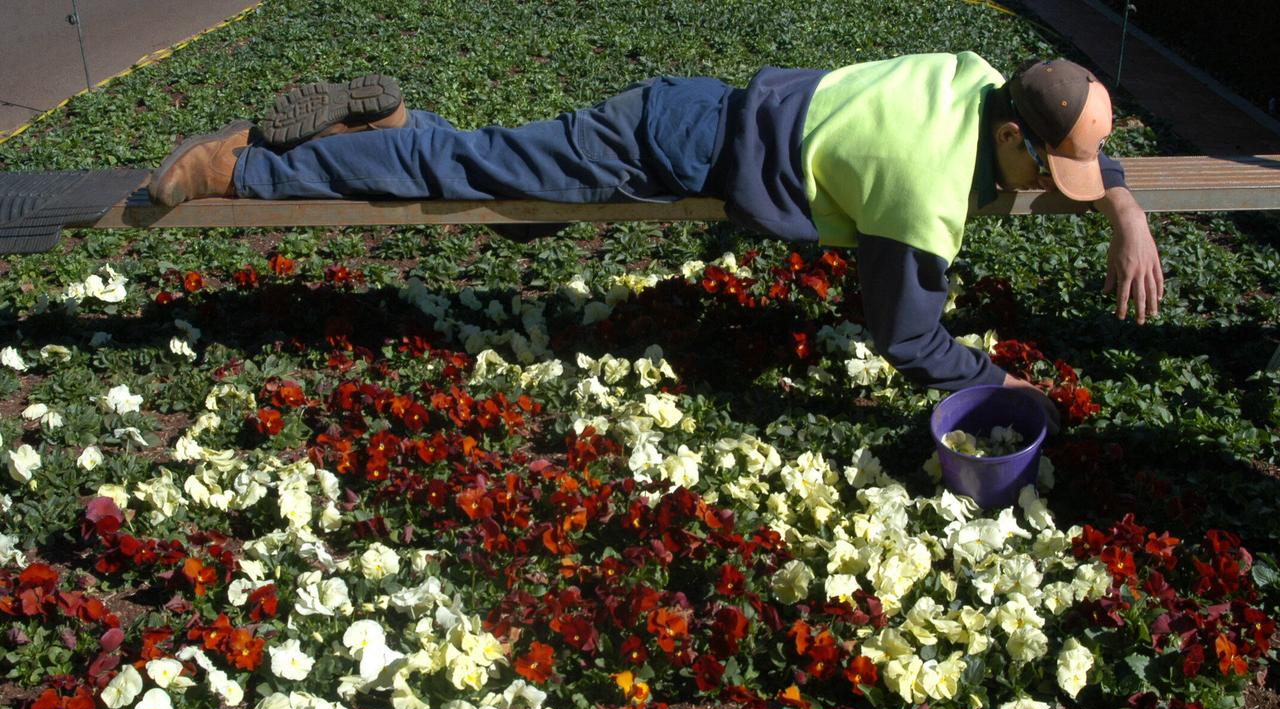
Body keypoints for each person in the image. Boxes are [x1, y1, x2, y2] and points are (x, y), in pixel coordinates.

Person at [148, 54, 1166, 432]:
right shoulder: (926, 184)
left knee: (506, 185)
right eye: (1052, 171)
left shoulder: (974, 73)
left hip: (697, 121)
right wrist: (997, 382)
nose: (1057, 190)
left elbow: (1060, 136)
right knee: (464, 180)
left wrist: (1117, 202)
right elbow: (905, 337)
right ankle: (243, 165)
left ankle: (388, 131)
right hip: (668, 150)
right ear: (1005, 137)